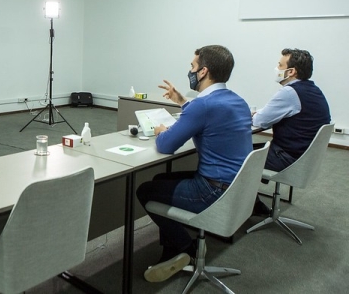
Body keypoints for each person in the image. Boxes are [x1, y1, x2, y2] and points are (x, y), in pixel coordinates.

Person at [136, 45, 253, 283]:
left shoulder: (203, 105)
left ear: (203, 72)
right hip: (238, 187)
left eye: (192, 66)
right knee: (161, 180)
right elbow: (206, 115)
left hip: (212, 190)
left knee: (145, 190)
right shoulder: (237, 101)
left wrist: (160, 131)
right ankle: (172, 251)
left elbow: (166, 145)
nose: (190, 71)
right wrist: (180, 100)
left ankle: (185, 247)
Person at [252, 48, 330, 215]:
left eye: (280, 65)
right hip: (305, 158)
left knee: (236, 155)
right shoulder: (314, 90)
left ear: (291, 71)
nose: (276, 69)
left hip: (287, 158)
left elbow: (260, 121)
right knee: (250, 148)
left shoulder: (290, 92)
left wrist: (253, 114)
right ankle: (251, 201)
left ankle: (250, 204)